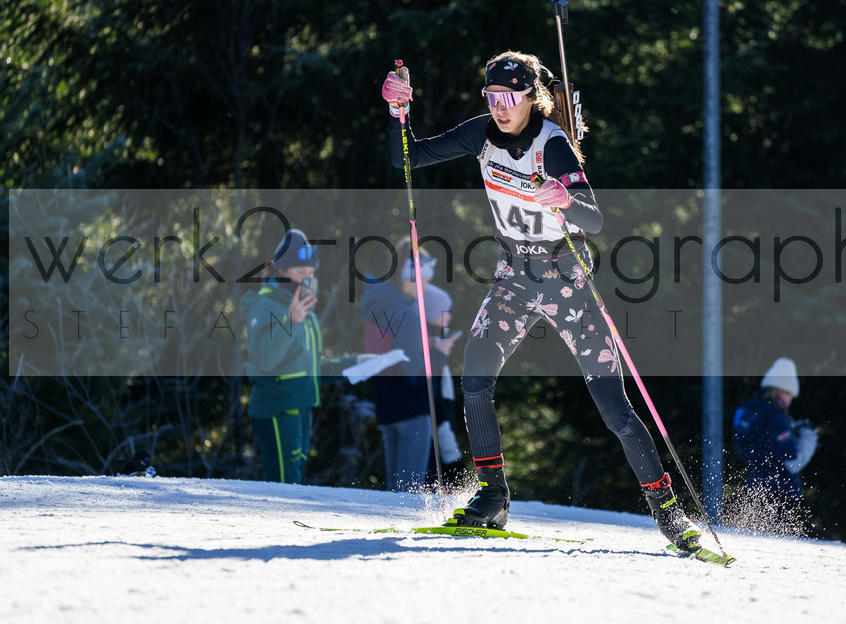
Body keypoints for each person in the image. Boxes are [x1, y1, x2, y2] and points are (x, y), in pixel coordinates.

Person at [379, 51, 703, 554]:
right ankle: (493, 497)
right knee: (475, 378)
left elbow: (595, 221)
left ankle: (668, 512)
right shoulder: (481, 134)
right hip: (514, 275)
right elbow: (408, 157)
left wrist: (566, 200)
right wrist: (398, 113)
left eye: (510, 97)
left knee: (613, 405)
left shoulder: (553, 146)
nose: (500, 107)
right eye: (492, 97)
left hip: (565, 279)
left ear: (532, 96)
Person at [240, 228, 367, 484]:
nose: (307, 279)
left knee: (293, 481)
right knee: (284, 483)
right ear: (281, 271)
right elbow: (265, 359)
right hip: (277, 406)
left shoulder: (304, 312)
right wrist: (291, 321)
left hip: (302, 403)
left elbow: (308, 366)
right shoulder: (265, 305)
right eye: (300, 273)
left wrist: (354, 364)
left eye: (310, 274)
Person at [361, 238, 464, 491]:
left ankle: (388, 526)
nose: (427, 285)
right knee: (409, 491)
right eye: (424, 279)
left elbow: (384, 358)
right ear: (409, 277)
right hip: (412, 411)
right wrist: (438, 353)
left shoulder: (378, 306)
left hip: (387, 407)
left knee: (396, 489)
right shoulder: (405, 313)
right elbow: (414, 375)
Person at [732, 357, 820, 530]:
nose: (791, 400)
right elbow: (794, 463)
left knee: (756, 539)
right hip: (781, 494)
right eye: (789, 394)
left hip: (754, 488)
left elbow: (762, 443)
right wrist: (809, 437)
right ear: (781, 390)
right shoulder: (778, 419)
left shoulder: (747, 413)